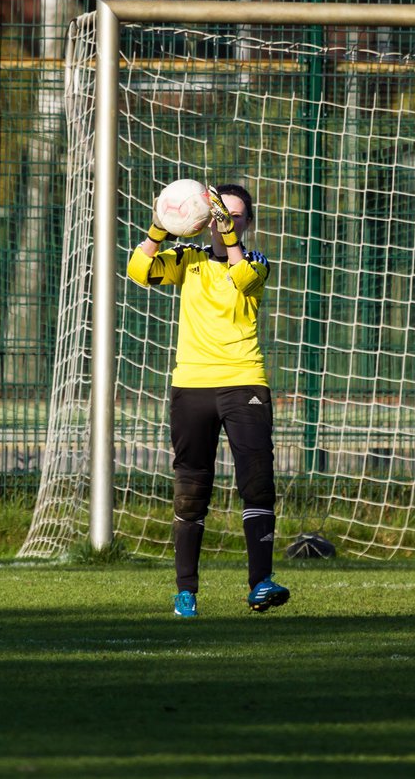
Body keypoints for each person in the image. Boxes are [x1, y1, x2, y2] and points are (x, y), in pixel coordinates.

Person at [126, 183, 290, 618]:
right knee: (191, 491)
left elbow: (242, 278)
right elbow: (139, 270)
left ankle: (260, 584)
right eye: (220, 215)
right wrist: (160, 227)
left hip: (244, 385)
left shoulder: (256, 262)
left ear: (247, 224)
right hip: (191, 387)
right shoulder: (188, 259)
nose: (225, 223)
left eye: (234, 216)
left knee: (257, 483)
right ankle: (186, 592)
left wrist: (230, 238)